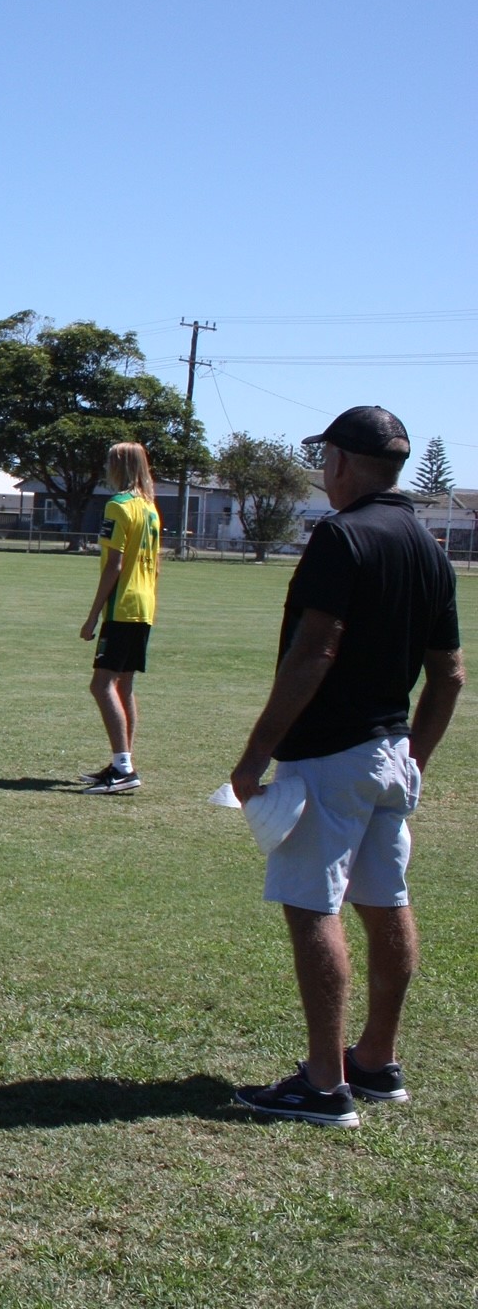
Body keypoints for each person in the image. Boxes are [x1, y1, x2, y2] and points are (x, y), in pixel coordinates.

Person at [229, 406, 461, 1127]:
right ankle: (376, 1061)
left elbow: (315, 652)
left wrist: (255, 754)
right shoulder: (428, 546)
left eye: (324, 458)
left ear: (341, 462)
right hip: (390, 752)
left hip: (329, 756)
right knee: (386, 902)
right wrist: (411, 756)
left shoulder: (340, 536)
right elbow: (449, 675)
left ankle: (324, 1084)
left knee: (312, 906)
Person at [78, 442, 162, 793]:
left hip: (123, 607)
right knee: (123, 686)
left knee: (101, 685)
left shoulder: (118, 506)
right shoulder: (150, 509)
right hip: (143, 607)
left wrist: (93, 615)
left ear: (120, 467)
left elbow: (113, 565)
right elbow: (156, 565)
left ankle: (123, 767)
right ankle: (122, 762)